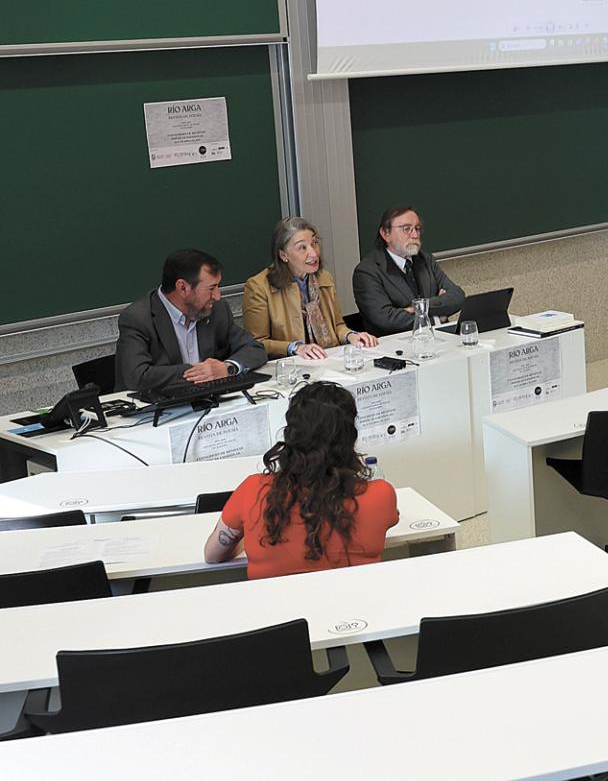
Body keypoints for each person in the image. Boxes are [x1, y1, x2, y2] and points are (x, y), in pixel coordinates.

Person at [203, 382, 399, 580]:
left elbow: (212, 555)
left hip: (274, 609)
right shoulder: (381, 494)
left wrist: (249, 536)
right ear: (350, 437)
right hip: (356, 609)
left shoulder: (254, 490)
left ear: (291, 435)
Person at [115, 249, 266, 394]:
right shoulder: (137, 319)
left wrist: (227, 368)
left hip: (210, 403)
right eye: (211, 288)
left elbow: (254, 349)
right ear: (183, 288)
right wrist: (201, 373)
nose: (217, 296)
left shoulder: (217, 310)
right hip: (157, 410)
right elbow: (136, 377)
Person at [242, 217, 379, 360]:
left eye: (314, 243)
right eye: (302, 247)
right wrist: (296, 348)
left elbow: (337, 326)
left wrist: (352, 336)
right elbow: (257, 343)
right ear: (284, 255)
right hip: (289, 368)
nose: (314, 253)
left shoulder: (324, 278)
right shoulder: (258, 287)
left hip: (328, 359)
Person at [350, 206, 467, 336]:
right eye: (407, 229)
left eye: (417, 228)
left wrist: (418, 308)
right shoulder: (367, 272)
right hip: (393, 347)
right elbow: (386, 319)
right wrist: (437, 318)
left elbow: (457, 296)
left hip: (436, 339)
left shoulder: (425, 259)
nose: (415, 235)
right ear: (385, 233)